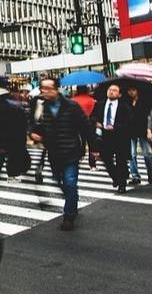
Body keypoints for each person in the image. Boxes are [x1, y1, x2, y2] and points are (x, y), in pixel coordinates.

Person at [30, 78, 99, 231]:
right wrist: (33, 134)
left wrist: (94, 148)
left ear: (57, 89)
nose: (46, 91)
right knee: (60, 181)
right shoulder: (41, 107)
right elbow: (35, 125)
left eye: (49, 88)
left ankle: (69, 216)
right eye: (43, 88)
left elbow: (86, 126)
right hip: (53, 152)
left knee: (69, 182)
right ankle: (72, 197)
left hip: (71, 151)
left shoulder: (71, 106)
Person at [92, 84, 133, 193]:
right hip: (105, 135)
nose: (111, 92)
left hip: (119, 136)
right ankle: (115, 177)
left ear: (119, 94)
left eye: (114, 90)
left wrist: (115, 127)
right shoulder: (100, 104)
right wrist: (96, 122)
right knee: (106, 159)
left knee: (121, 161)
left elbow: (129, 123)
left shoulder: (125, 107)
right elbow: (93, 116)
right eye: (110, 90)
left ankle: (122, 185)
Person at [126, 85, 152, 185]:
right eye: (129, 90)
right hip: (131, 131)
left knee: (147, 154)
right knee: (132, 154)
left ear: (137, 91)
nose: (131, 92)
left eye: (133, 89)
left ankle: (151, 174)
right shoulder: (126, 102)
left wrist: (149, 130)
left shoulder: (144, 101)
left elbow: (149, 117)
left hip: (143, 130)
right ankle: (135, 176)